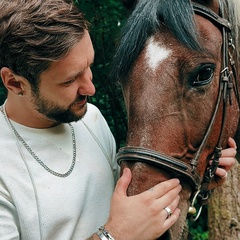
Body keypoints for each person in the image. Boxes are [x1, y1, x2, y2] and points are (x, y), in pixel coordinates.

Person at [0, 0, 236, 240]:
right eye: (69, 81)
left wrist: (193, 179)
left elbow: (130, 208)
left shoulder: (91, 120)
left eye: (88, 67)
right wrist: (116, 235)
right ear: (15, 83)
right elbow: (124, 226)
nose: (90, 88)